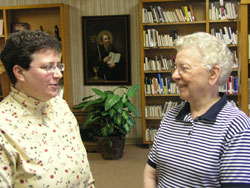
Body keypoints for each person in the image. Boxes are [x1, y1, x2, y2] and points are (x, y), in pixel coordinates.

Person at [143, 32, 250, 188]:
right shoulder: (170, 115)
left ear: (213, 74)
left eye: (184, 68)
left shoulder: (237, 127)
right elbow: (151, 172)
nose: (174, 75)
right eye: (175, 67)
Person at [0, 30, 95, 187]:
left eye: (58, 66)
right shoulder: (4, 127)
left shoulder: (60, 106)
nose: (58, 74)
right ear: (19, 72)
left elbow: (83, 169)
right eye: (48, 67)